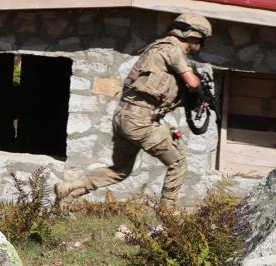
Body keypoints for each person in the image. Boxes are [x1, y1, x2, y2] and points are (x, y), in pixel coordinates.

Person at [55, 13, 213, 210]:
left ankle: (69, 189)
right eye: (202, 40)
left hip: (124, 117)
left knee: (120, 171)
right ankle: (167, 215)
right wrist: (200, 90)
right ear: (193, 36)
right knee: (178, 162)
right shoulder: (173, 49)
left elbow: (156, 91)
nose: (201, 46)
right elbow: (193, 83)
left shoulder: (155, 48)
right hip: (141, 120)